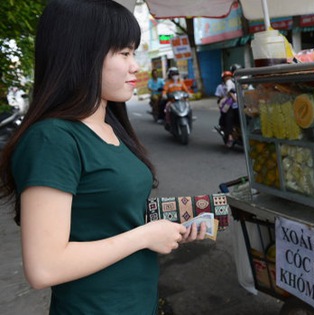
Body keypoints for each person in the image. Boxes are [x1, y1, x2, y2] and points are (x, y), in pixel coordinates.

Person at [0, 1, 206, 314]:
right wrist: (145, 235)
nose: (135, 65)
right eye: (124, 53)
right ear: (82, 55)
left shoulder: (111, 125)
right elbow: (44, 267)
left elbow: (111, 219)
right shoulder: (53, 139)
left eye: (133, 52)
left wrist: (168, 228)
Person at [215, 70, 239, 148]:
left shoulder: (235, 84)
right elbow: (219, 98)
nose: (228, 79)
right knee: (229, 117)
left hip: (237, 106)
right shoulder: (220, 87)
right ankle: (230, 137)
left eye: (229, 77)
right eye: (226, 78)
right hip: (227, 107)